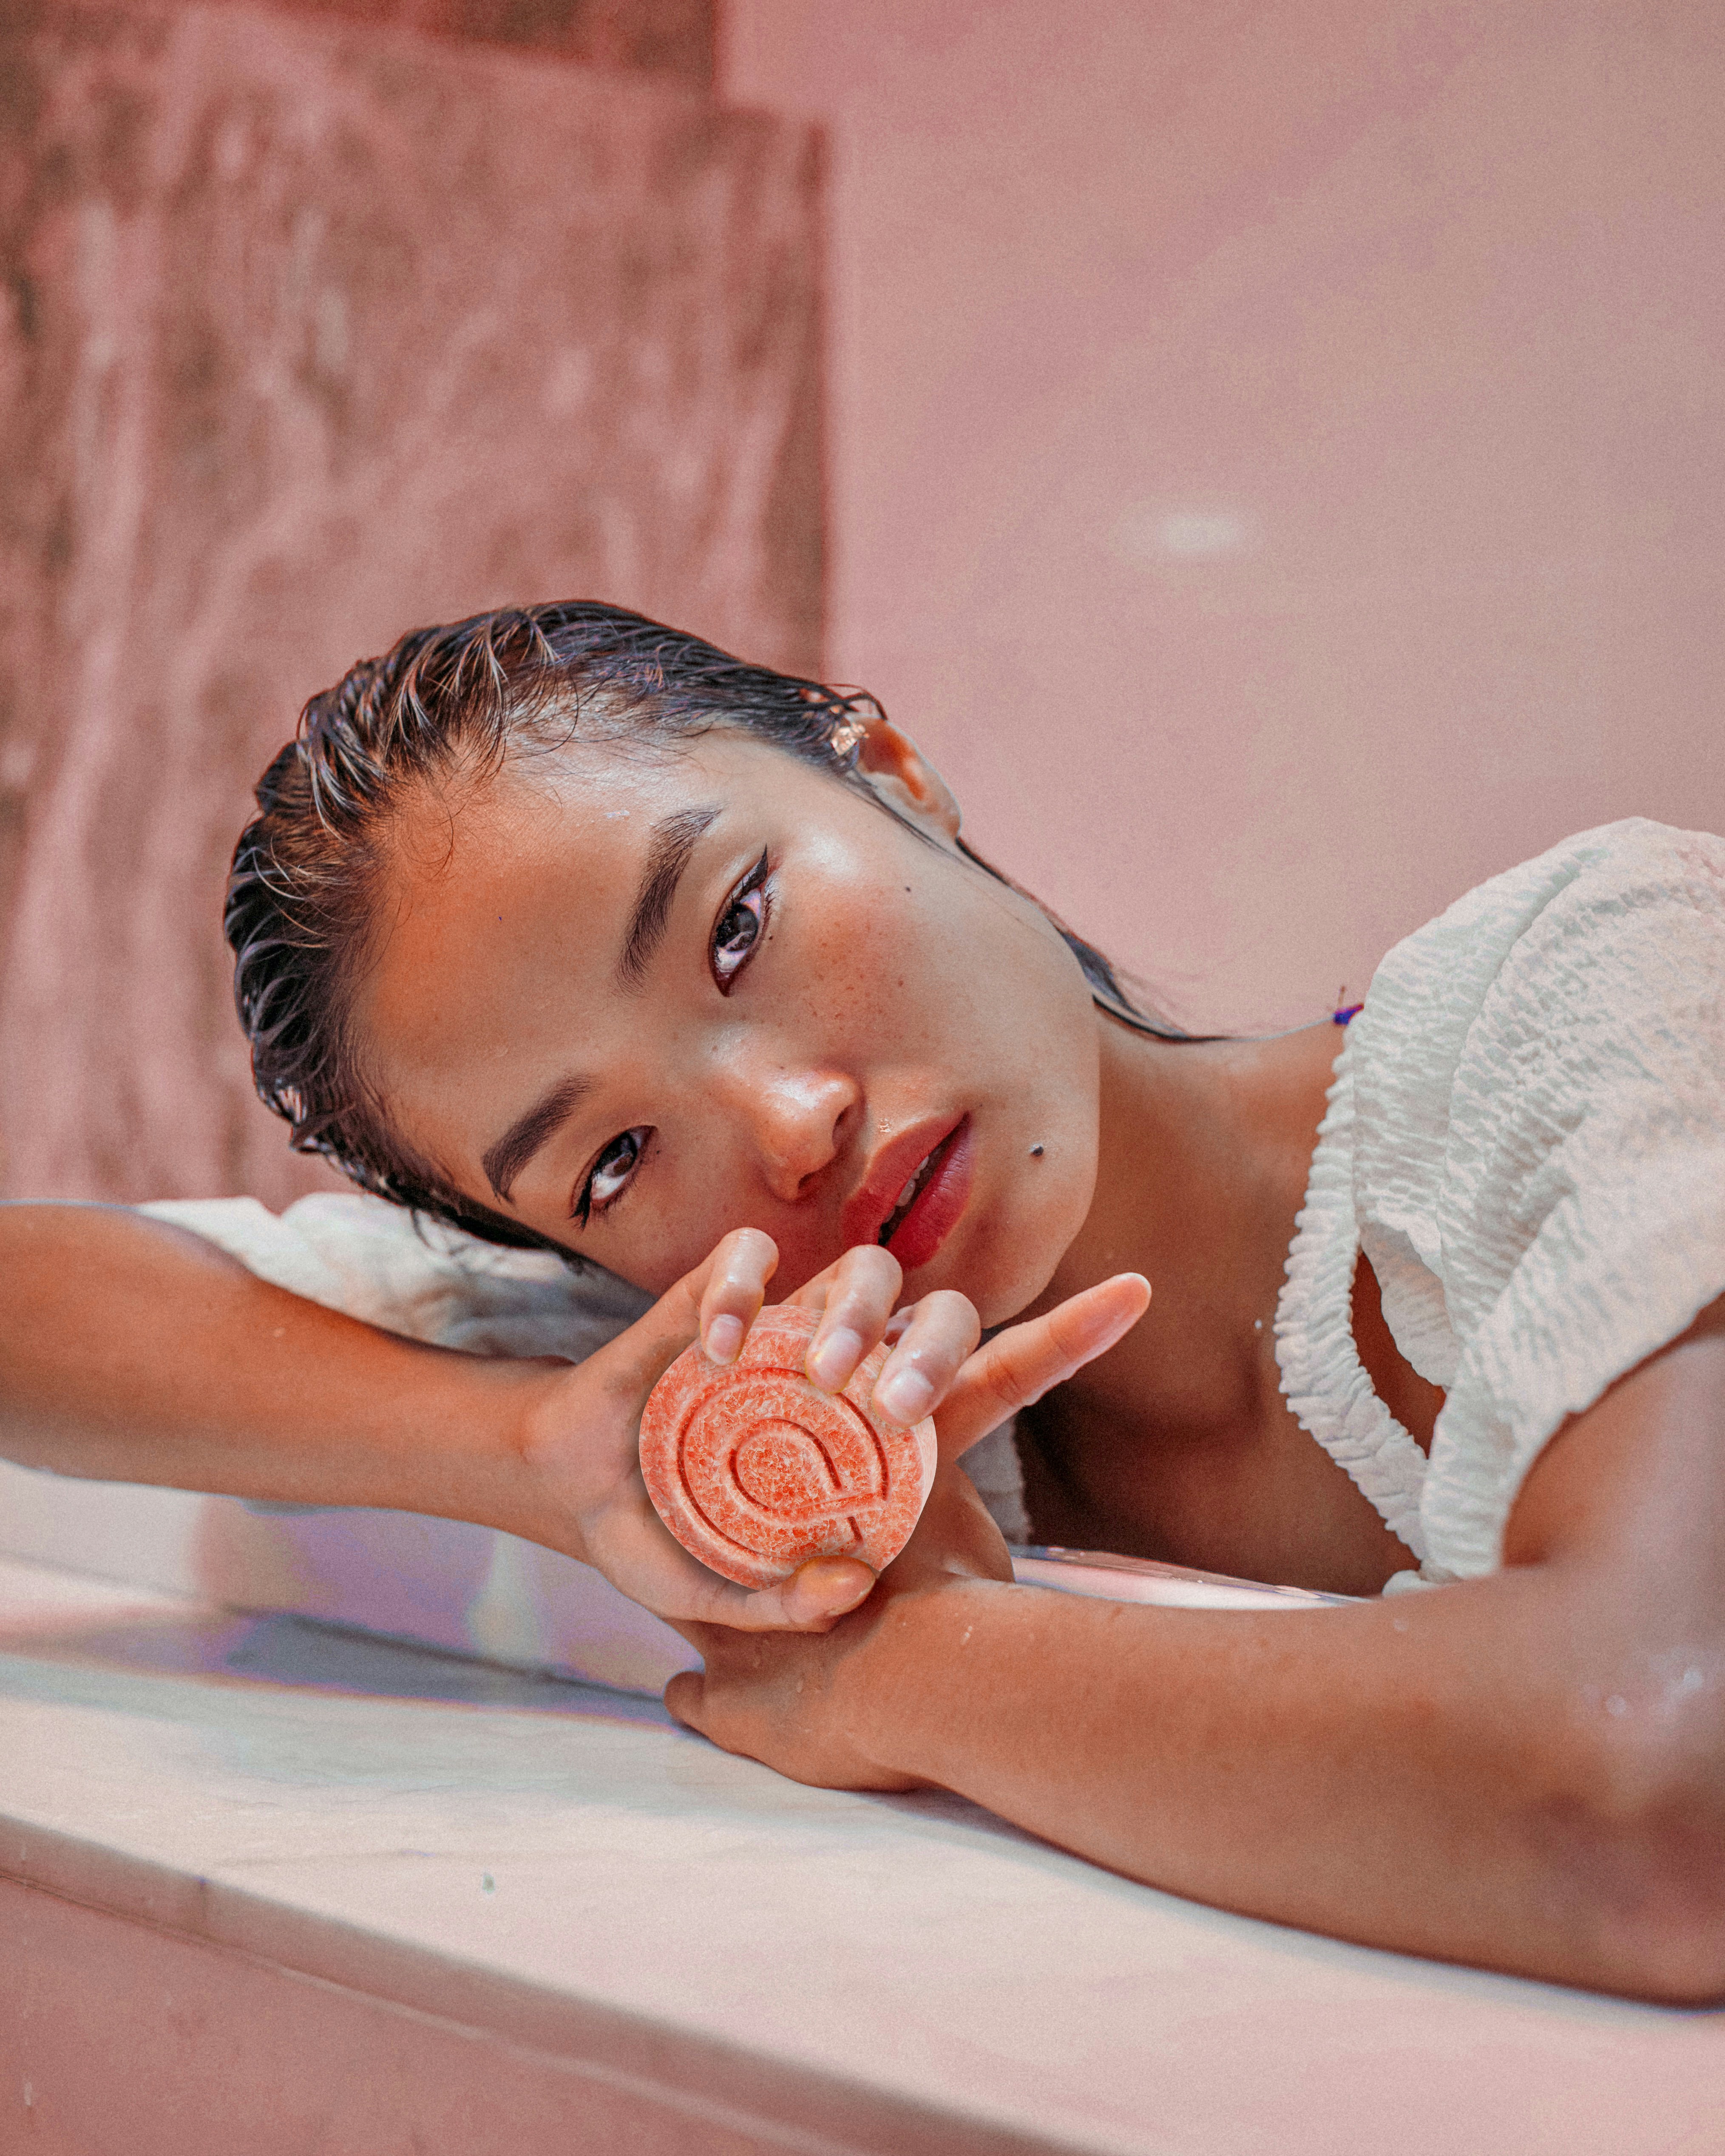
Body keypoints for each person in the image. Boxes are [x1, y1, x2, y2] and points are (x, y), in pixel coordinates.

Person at [3, 602, 1722, 2002]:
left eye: (736, 926)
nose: (787, 1126)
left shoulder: (1602, 980)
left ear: (895, 776)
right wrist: (532, 1448)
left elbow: (1656, 1799)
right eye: (612, 1161)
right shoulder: (755, 1371)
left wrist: (904, 1670)